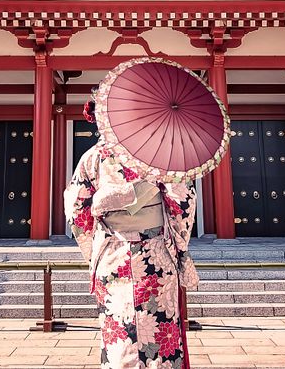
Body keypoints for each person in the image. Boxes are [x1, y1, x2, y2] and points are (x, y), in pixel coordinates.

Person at [64, 98, 198, 369]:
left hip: (112, 255)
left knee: (119, 332)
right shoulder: (160, 157)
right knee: (159, 332)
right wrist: (180, 247)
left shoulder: (92, 158)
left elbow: (77, 210)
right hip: (155, 256)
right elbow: (182, 203)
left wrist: (93, 252)